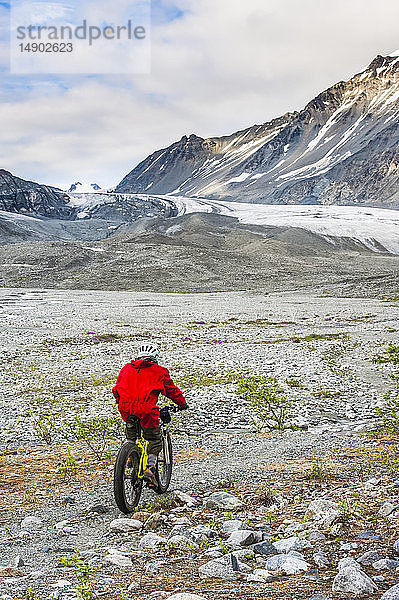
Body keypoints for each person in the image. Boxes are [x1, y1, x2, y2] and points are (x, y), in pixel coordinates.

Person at [112, 343, 187, 486]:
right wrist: (182, 404)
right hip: (146, 410)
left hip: (126, 408)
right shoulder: (159, 371)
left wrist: (121, 403)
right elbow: (171, 391)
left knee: (131, 434)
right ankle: (151, 468)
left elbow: (116, 390)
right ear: (155, 357)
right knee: (154, 439)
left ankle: (129, 456)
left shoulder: (126, 368)